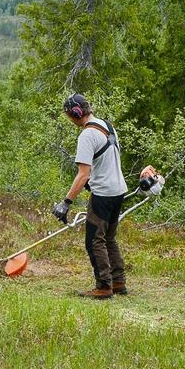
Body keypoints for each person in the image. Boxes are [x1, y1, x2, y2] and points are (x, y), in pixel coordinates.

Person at [52, 93, 130, 300]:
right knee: (109, 238)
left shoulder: (86, 135)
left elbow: (83, 173)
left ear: (75, 113)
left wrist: (65, 203)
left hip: (103, 193)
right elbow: (104, 161)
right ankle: (118, 281)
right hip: (118, 190)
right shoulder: (107, 126)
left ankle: (104, 286)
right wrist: (91, 180)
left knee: (94, 241)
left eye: (70, 116)